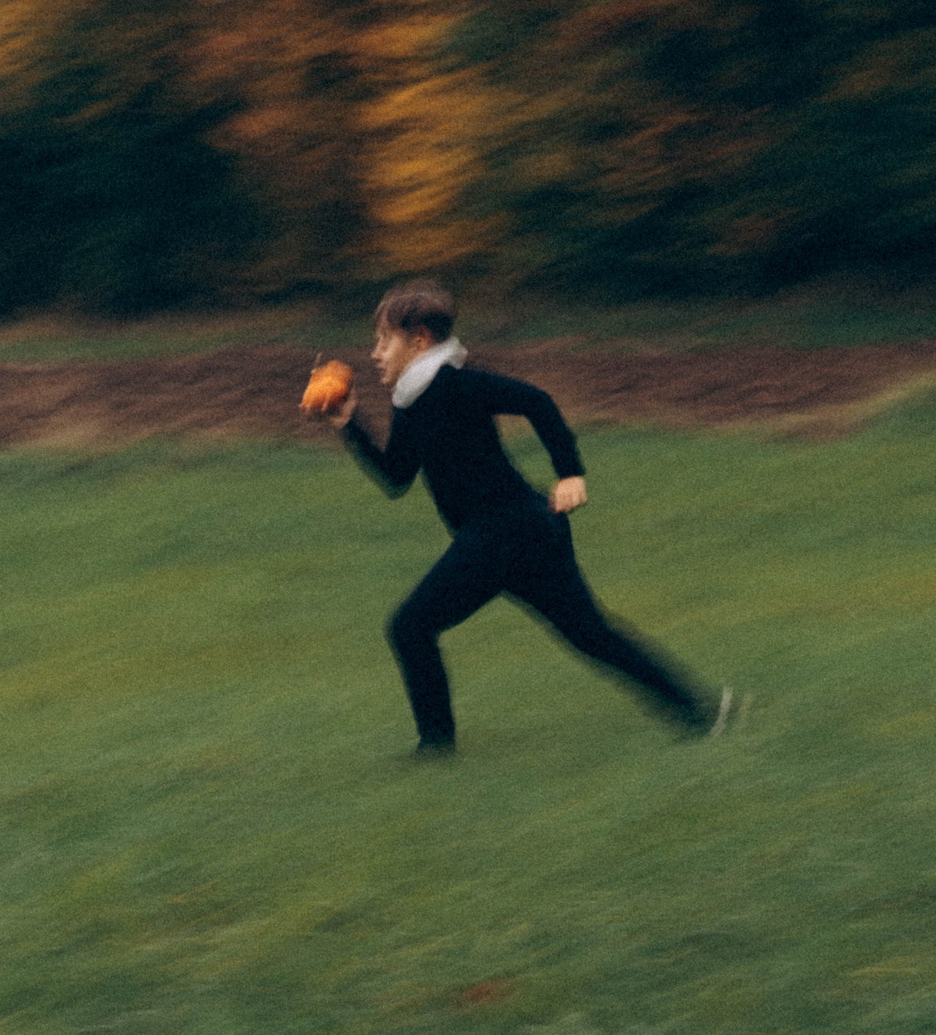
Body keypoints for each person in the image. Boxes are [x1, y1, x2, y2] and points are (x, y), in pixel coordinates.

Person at [307, 281, 731, 756]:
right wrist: (350, 425)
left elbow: (537, 402)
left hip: (507, 530)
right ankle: (702, 713)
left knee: (410, 627)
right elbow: (396, 477)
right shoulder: (411, 400)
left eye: (385, 341)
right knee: (589, 635)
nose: (375, 353)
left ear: (420, 339)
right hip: (519, 533)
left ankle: (437, 747)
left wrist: (570, 473)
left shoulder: (458, 385)